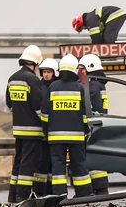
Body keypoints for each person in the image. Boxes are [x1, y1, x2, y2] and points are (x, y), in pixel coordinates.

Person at [41, 54, 93, 198]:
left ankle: (60, 195)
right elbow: (85, 113)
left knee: (58, 167)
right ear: (74, 69)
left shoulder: (52, 87)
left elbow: (44, 113)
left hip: (55, 136)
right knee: (79, 165)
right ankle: (83, 194)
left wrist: (46, 129)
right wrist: (86, 130)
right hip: (76, 136)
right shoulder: (79, 88)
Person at [5, 45, 45, 203]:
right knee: (28, 165)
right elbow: (38, 106)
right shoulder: (33, 80)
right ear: (35, 63)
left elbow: (9, 103)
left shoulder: (12, 78)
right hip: (33, 131)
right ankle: (23, 197)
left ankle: (13, 195)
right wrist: (46, 123)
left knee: (18, 162)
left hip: (18, 130)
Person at [79, 54, 110, 196]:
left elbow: (94, 107)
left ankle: (99, 188)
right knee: (98, 157)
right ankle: (101, 188)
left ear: (90, 68)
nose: (81, 73)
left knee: (91, 157)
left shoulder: (92, 86)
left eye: (83, 70)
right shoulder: (99, 84)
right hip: (100, 125)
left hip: (93, 126)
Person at [34, 57, 58, 197]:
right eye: (44, 72)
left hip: (55, 131)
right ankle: (40, 192)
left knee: (52, 164)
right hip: (42, 132)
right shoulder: (39, 86)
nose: (46, 74)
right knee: (42, 163)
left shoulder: (57, 86)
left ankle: (51, 191)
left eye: (49, 72)